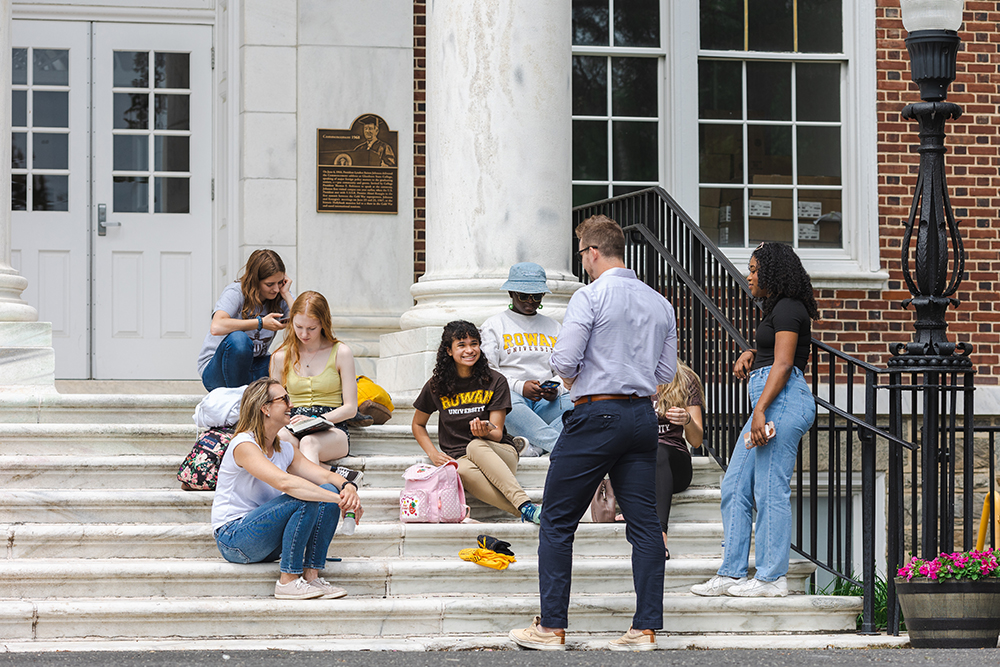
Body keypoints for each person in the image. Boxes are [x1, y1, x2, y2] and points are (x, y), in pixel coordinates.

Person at [509, 214, 677, 652]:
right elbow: (663, 372)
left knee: (558, 521)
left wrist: (574, 378)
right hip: (642, 417)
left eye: (582, 252)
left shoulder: (590, 296)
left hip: (596, 414)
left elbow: (563, 361)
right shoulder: (661, 302)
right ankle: (644, 630)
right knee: (644, 525)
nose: (583, 261)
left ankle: (551, 627)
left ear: (593, 252)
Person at [690, 242, 818, 599]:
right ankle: (731, 573)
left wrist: (760, 410)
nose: (749, 276)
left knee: (769, 488)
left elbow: (783, 363)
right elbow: (771, 353)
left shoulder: (791, 308)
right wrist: (751, 353)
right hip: (769, 401)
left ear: (773, 273)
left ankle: (771, 578)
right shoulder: (777, 310)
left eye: (754, 269)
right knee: (734, 485)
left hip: (782, 403)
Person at [211, 377, 363, 600]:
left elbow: (323, 475)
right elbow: (286, 483)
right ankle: (288, 581)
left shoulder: (284, 448)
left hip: (267, 538)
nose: (291, 405)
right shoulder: (244, 445)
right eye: (284, 399)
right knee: (304, 497)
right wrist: (337, 499)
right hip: (234, 538)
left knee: (326, 487)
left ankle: (311, 577)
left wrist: (348, 487)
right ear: (265, 408)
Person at [411, 320, 542, 523]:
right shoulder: (436, 386)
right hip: (460, 457)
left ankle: (524, 503)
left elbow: (497, 433)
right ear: (449, 351)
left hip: (500, 454)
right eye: (461, 345)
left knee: (476, 445)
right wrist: (433, 453)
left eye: (474, 343)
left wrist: (485, 432)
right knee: (459, 470)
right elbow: (418, 424)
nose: (469, 350)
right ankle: (527, 512)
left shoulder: (495, 381)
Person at [480, 263, 574, 457]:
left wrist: (555, 388)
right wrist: (519, 386)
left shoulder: (554, 327)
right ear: (511, 293)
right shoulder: (494, 325)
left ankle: (535, 448)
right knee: (503, 405)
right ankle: (563, 447)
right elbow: (488, 371)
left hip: (546, 401)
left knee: (579, 409)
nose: (530, 301)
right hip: (512, 398)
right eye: (523, 295)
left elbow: (565, 368)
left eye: (536, 296)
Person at [270, 291, 357, 468]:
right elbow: (275, 403)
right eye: (298, 326)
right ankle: (328, 472)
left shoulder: (341, 352)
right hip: (293, 424)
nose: (304, 334)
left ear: (323, 324)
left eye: (312, 328)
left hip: (332, 427)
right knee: (280, 440)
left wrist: (315, 420)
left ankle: (313, 493)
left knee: (309, 442)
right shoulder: (280, 357)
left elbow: (351, 408)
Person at [197, 249, 293, 392]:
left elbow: (304, 321)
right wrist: (260, 323)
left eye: (279, 283)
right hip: (218, 371)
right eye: (269, 284)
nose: (276, 289)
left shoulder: (280, 294)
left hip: (253, 367)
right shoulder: (236, 292)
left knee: (289, 357)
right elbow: (216, 326)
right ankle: (239, 401)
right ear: (256, 281)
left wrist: (287, 295)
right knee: (239, 339)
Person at [652, 360, 704, 560]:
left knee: (658, 451)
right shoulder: (630, 373)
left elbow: (697, 441)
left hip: (674, 465)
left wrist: (687, 420)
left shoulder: (685, 378)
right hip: (640, 461)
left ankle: (660, 536)